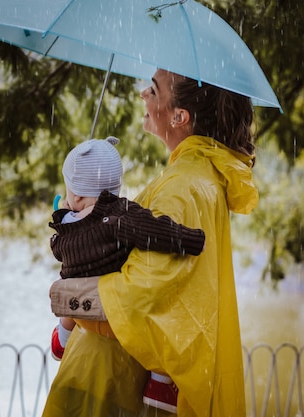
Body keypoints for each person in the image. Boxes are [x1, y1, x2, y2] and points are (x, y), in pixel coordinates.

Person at [42, 69, 258, 417]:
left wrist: (67, 299)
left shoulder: (181, 187)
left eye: (154, 90)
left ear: (179, 116)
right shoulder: (199, 177)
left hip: (104, 379)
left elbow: (140, 298)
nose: (143, 93)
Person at [47, 136, 206, 412]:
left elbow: (62, 240)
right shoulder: (117, 217)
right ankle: (160, 378)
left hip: (80, 304)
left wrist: (67, 213)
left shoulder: (64, 228)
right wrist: (192, 239)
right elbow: (156, 232)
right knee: (156, 314)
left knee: (70, 282)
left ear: (75, 196)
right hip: (115, 314)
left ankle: (62, 335)